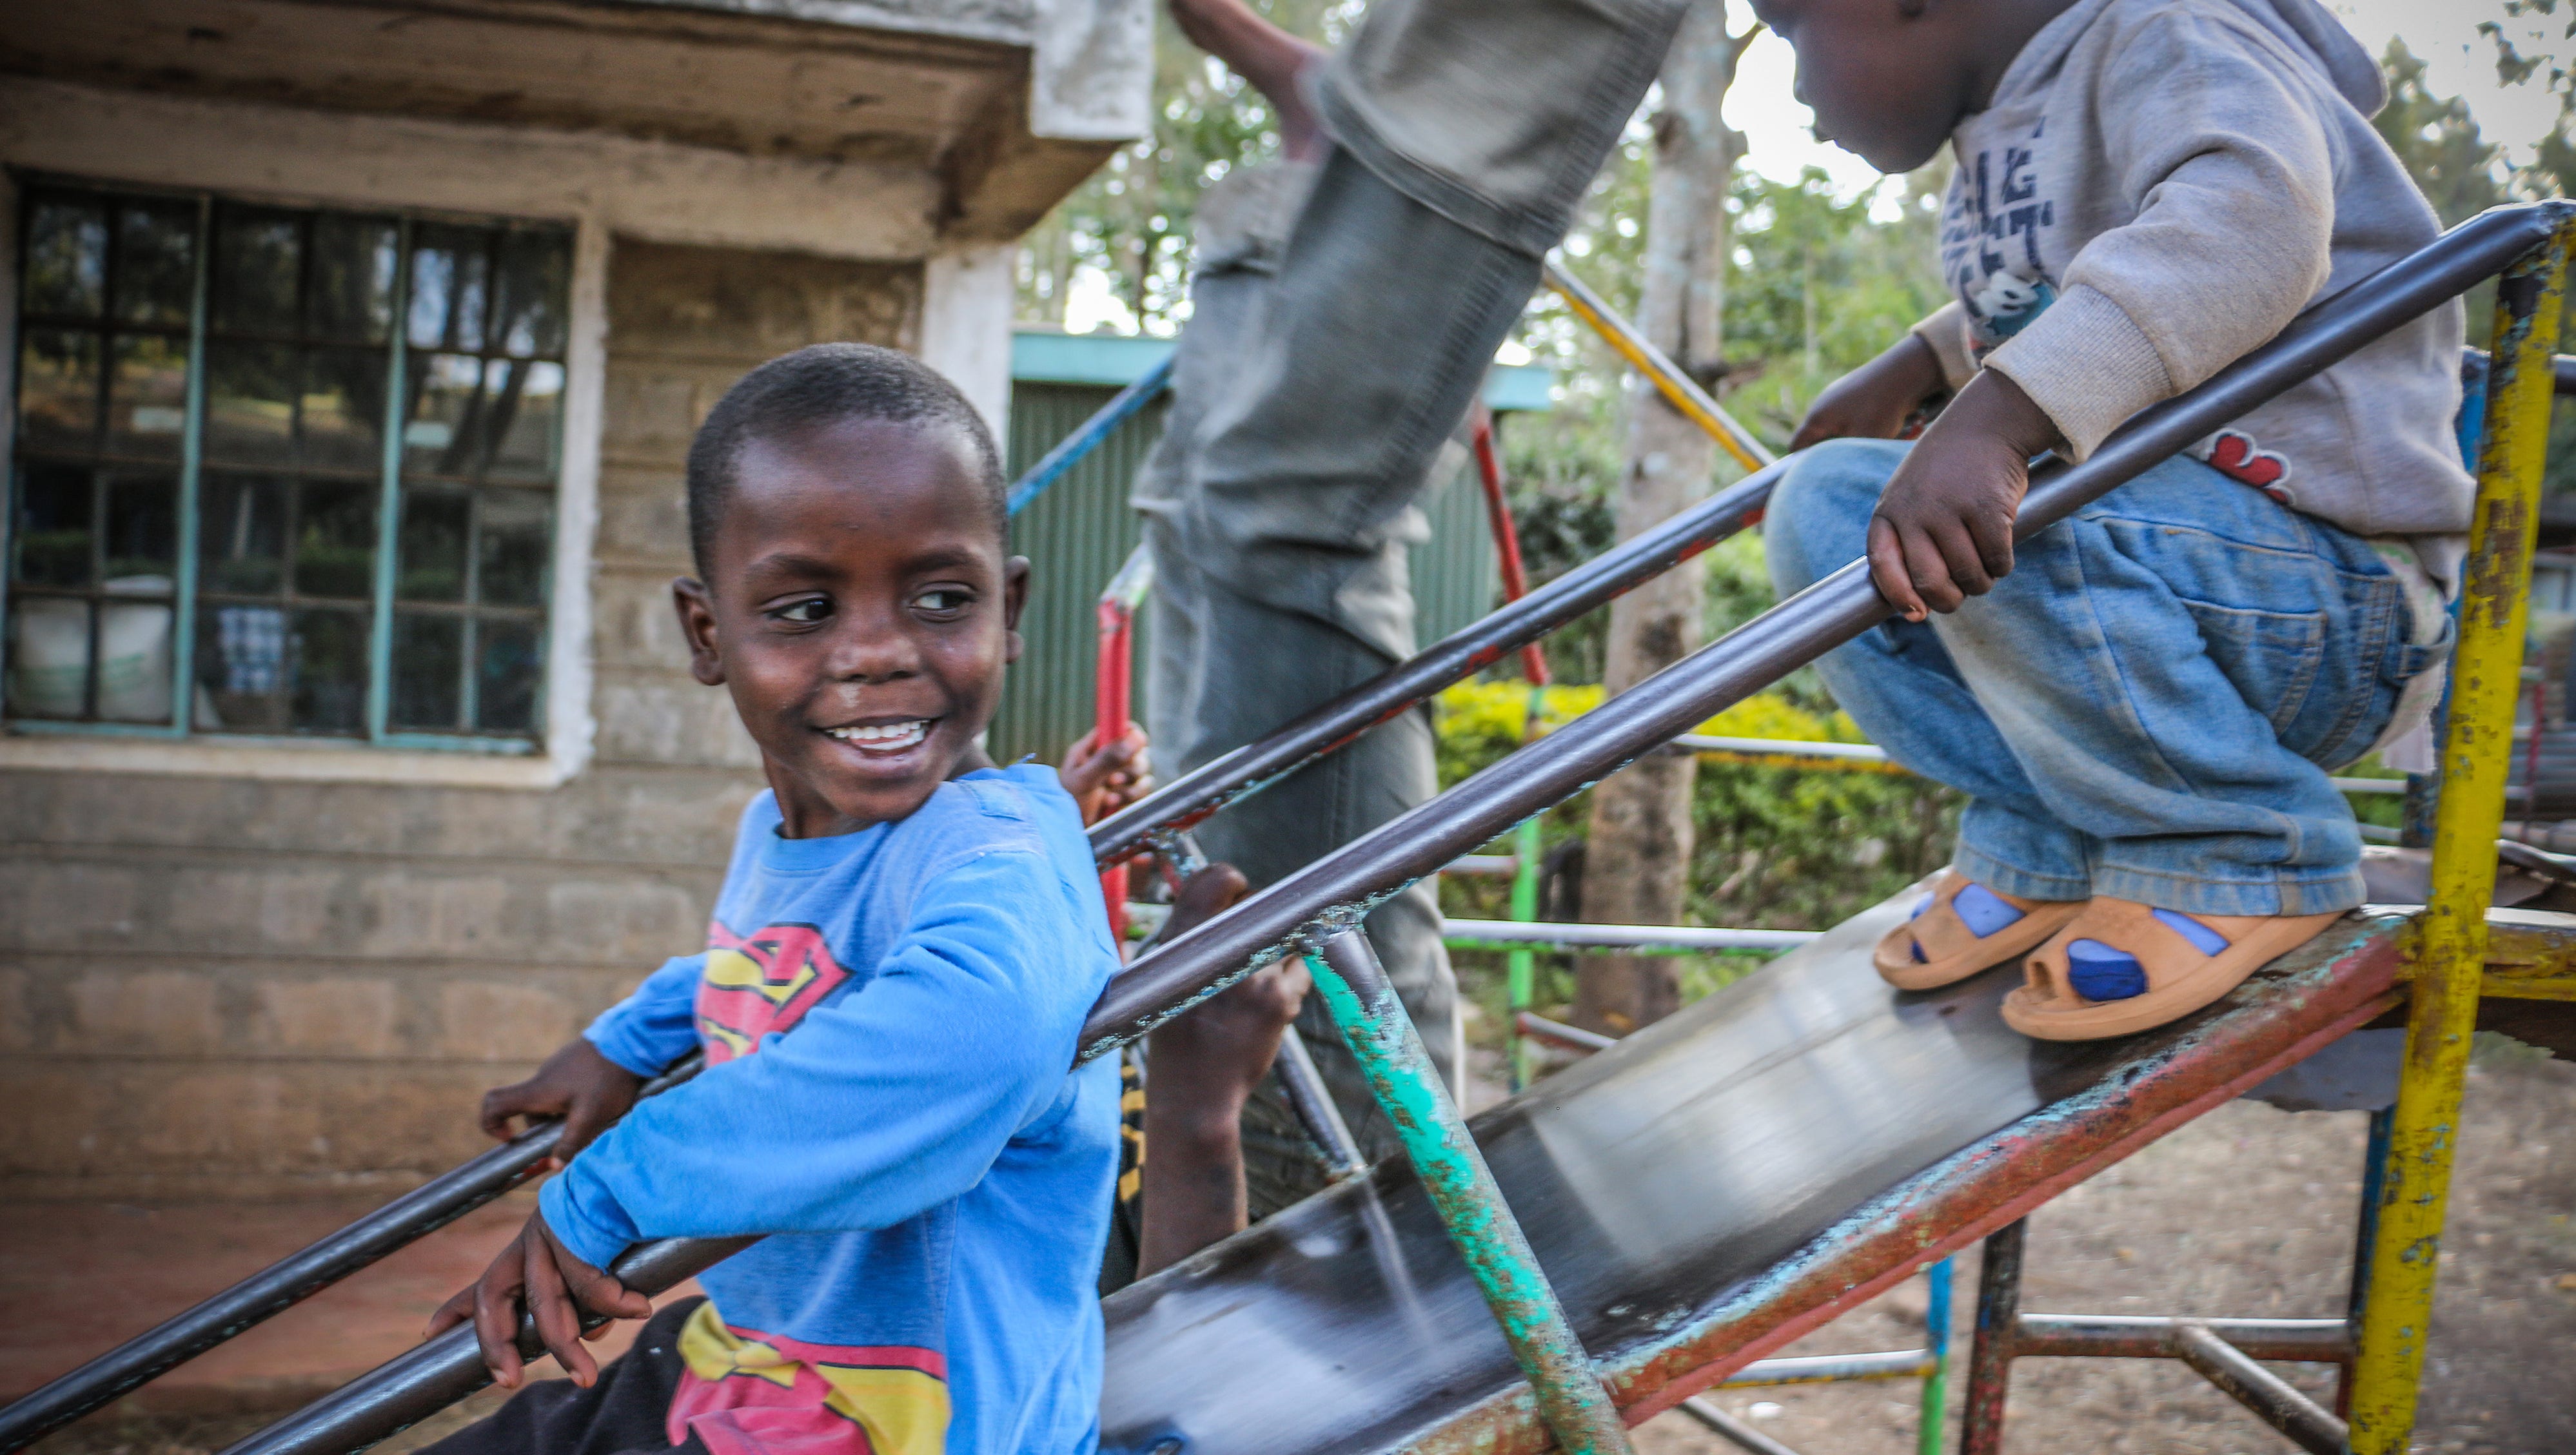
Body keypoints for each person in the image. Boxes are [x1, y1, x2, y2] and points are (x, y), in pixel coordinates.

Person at [420, 343, 1126, 1455]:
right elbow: (784, 961)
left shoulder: (997, 852)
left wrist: (617, 1186)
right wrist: (632, 1036)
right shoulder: (787, 831)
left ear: (1011, 606)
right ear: (711, 634)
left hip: (909, 1417)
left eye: (943, 597)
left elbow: (973, 1030)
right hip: (755, 1354)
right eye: (803, 609)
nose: (881, 651)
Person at [1753, 0, 2466, 1039]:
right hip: (2172, 579)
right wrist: (1926, 361)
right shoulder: (2019, 114)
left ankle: (2244, 847)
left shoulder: (2172, 33)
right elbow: (2054, 289)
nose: (1800, 94)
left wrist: (1995, 418)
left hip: (2330, 598)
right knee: (1828, 504)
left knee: (2022, 509)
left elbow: (2252, 223)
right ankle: (2051, 834)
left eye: (1788, 34)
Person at [1137, 0, 1474, 1215]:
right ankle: (1296, 191)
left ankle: (1330, 201)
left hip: (1347, 1181)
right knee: (1193, 521)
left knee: (1287, 539)